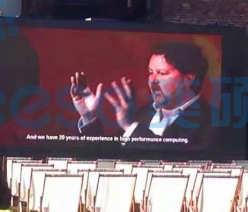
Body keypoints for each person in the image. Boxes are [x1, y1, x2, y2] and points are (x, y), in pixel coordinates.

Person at [69, 42, 214, 146]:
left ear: (188, 78)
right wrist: (89, 115)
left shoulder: (211, 121)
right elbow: (106, 153)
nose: (152, 80)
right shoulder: (144, 113)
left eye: (161, 73)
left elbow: (169, 158)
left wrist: (130, 126)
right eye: (151, 72)